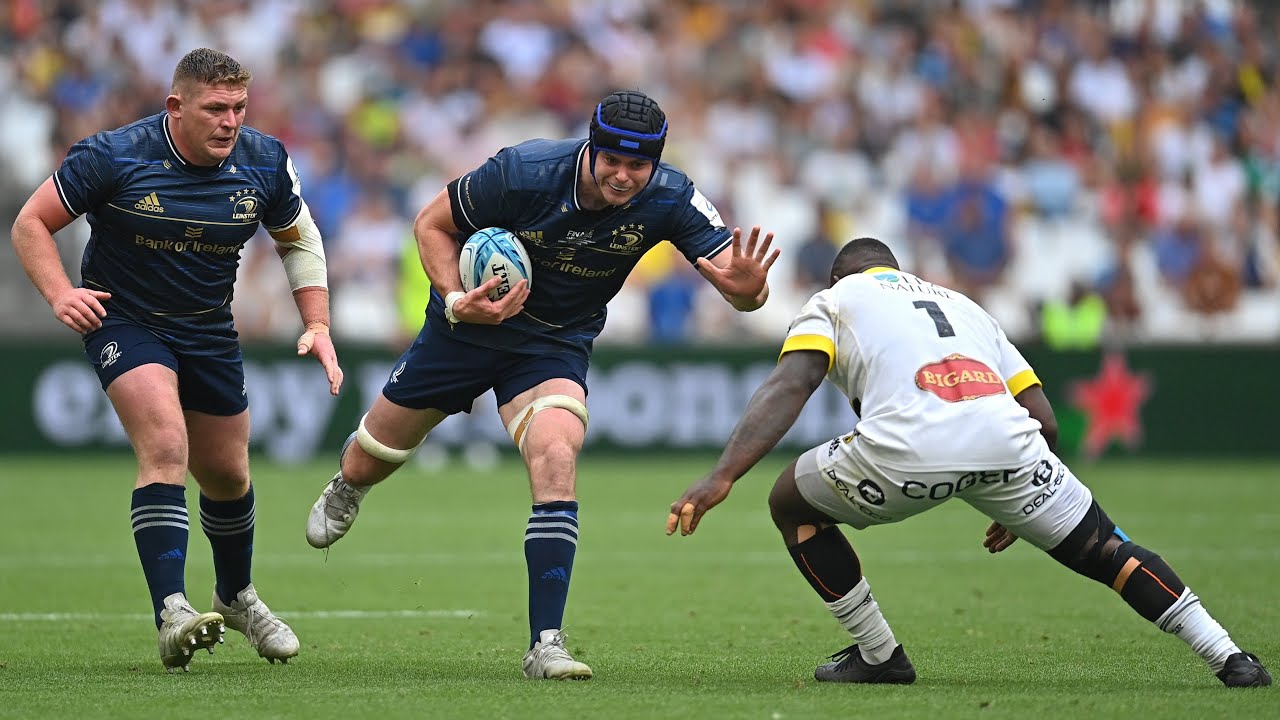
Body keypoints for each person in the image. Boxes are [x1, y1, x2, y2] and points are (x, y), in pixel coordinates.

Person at [305, 90, 779, 679]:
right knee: (370, 458)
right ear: (590, 148)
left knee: (557, 453)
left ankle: (545, 644)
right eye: (613, 161)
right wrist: (457, 299)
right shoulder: (522, 172)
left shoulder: (672, 196)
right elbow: (431, 224)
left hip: (553, 343)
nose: (625, 177)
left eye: (639, 165)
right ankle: (349, 485)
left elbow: (738, 288)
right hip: (465, 330)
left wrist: (750, 288)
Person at [665, 237, 1270, 689]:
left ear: (839, 276)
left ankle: (879, 656)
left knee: (788, 502)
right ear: (898, 271)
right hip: (1009, 445)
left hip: (905, 451)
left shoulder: (835, 299)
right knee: (1105, 549)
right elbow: (1044, 417)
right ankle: (1229, 657)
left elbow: (790, 384)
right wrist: (1020, 499)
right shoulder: (965, 306)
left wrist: (723, 475)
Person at [10, 48, 343, 672]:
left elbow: (300, 240)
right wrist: (61, 294)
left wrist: (318, 323)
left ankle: (236, 596)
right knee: (165, 446)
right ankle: (172, 611)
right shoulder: (113, 156)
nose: (230, 122)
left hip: (208, 328)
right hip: (126, 321)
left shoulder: (264, 161)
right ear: (177, 107)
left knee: (227, 475)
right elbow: (31, 223)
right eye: (216, 109)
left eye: (239, 108)